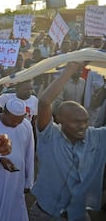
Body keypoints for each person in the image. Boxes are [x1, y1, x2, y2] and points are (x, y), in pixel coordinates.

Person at [29, 62, 106, 221]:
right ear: (60, 120)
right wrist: (70, 69)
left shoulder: (94, 137)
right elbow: (44, 103)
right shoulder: (49, 136)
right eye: (76, 122)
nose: (83, 126)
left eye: (85, 121)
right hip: (46, 214)